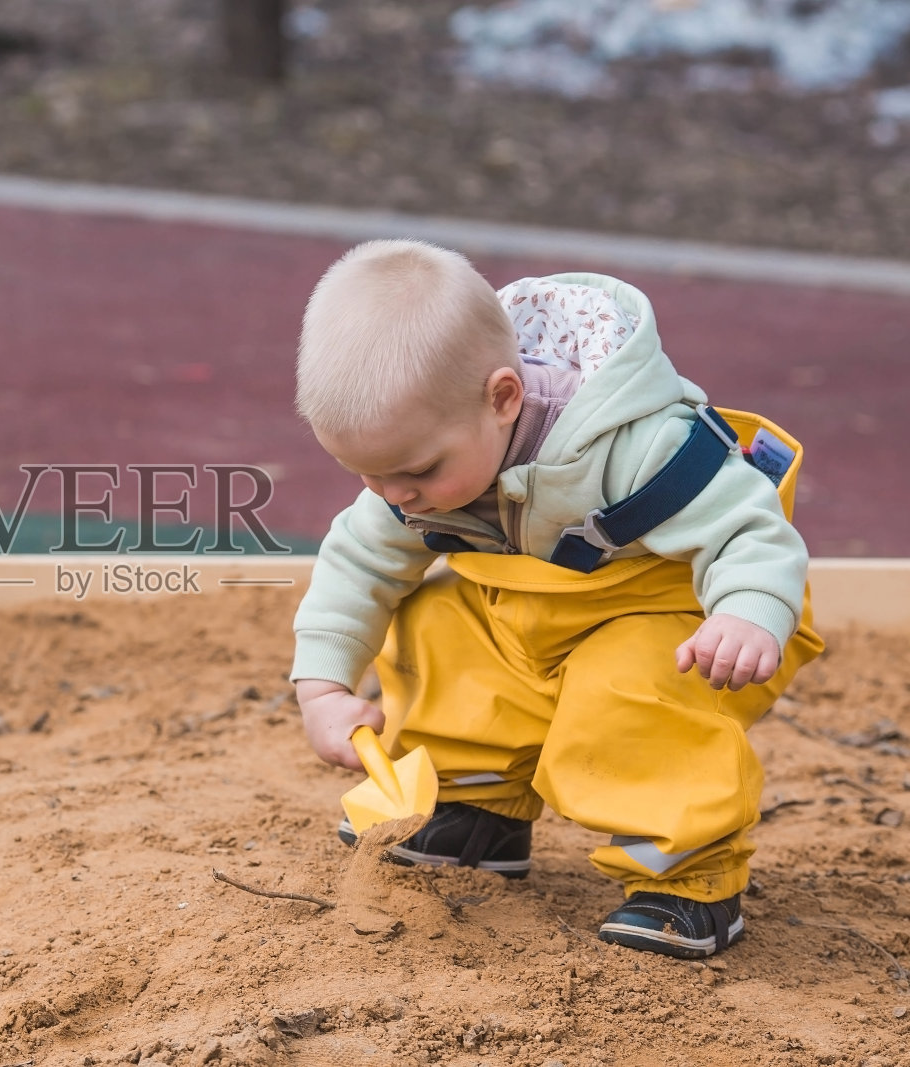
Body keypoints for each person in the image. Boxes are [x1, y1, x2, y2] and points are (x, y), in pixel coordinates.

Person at [291, 239, 822, 959]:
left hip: (672, 619)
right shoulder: (418, 458)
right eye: (368, 474)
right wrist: (322, 686)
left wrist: (746, 610)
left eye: (415, 471)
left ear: (504, 397)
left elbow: (751, 526)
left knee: (631, 693)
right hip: (524, 609)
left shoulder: (640, 445)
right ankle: (474, 811)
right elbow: (357, 561)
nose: (393, 495)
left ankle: (689, 879)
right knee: (438, 624)